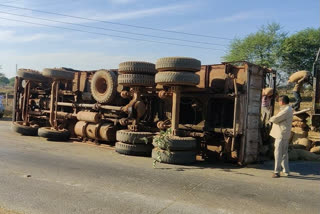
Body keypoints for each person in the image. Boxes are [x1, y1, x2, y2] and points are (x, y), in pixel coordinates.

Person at [269, 95, 293, 178]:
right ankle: (286, 171)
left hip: (281, 134)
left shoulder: (286, 110)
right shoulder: (287, 109)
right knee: (284, 153)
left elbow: (275, 119)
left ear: (282, 102)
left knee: (278, 153)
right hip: (283, 134)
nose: (278, 103)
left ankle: (276, 171)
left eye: (279, 101)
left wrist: (271, 118)